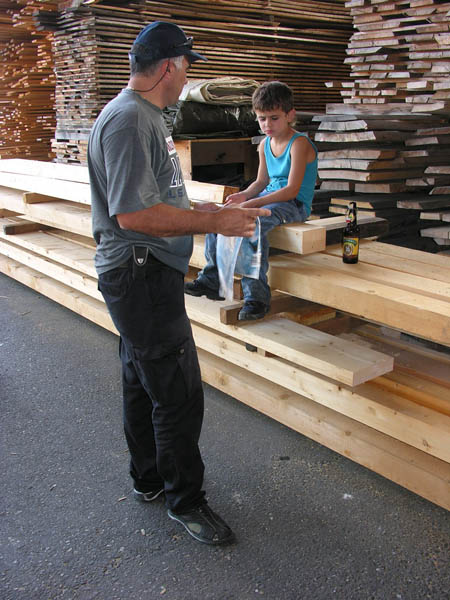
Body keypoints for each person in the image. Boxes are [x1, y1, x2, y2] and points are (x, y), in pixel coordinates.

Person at [87, 21, 270, 546]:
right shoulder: (128, 120)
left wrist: (204, 210)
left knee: (141, 378)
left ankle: (149, 479)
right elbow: (133, 215)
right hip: (140, 274)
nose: (188, 77)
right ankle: (185, 501)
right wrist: (215, 224)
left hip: (143, 272)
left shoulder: (144, 116)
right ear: (168, 66)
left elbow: (156, 196)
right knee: (178, 392)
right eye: (187, 66)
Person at [185, 81, 318, 320]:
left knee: (250, 225)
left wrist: (251, 204)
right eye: (262, 119)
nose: (267, 124)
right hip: (269, 199)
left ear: (290, 115)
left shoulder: (299, 144)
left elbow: (291, 190)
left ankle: (256, 298)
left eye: (274, 118)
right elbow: (260, 182)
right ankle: (213, 279)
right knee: (219, 216)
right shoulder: (265, 144)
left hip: (294, 204)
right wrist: (244, 196)